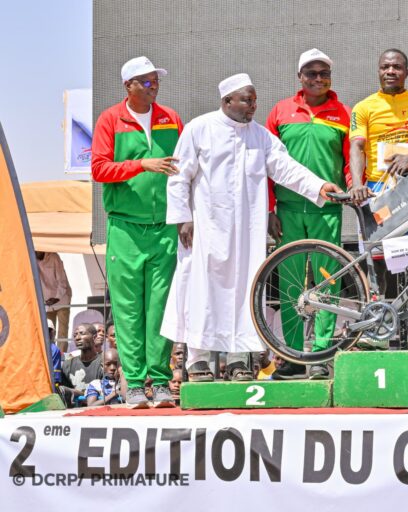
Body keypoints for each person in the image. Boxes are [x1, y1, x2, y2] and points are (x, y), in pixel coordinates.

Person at [161, 73, 343, 383]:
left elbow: (286, 168)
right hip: (205, 229)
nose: (253, 106)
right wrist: (182, 218)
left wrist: (319, 186)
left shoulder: (261, 136)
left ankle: (238, 359)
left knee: (245, 290)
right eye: (247, 100)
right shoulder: (199, 128)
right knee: (201, 290)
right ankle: (197, 360)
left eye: (255, 100)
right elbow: (179, 176)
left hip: (247, 232)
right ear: (227, 101)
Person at [91, 56, 183, 408]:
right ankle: (133, 384)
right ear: (127, 85)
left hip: (165, 228)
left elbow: (185, 167)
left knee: (160, 308)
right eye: (145, 81)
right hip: (125, 228)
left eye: (155, 80)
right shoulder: (110, 119)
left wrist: (186, 217)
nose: (153, 85)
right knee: (128, 310)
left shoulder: (171, 118)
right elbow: (99, 169)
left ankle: (160, 382)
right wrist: (141, 164)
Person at [265, 49, 351, 380]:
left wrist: (352, 188)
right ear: (299, 77)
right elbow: (266, 166)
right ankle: (293, 355)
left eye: (324, 73)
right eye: (311, 73)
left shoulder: (342, 113)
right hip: (287, 210)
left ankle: (320, 354)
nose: (318, 79)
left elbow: (349, 161)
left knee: (328, 280)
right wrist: (270, 208)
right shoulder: (280, 111)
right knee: (289, 283)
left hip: (327, 210)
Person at [348, 49, 408, 350]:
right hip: (377, 191)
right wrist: (357, 184)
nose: (390, 71)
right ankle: (379, 329)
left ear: (406, 72)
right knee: (377, 263)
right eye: (385, 67)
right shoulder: (364, 107)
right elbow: (357, 147)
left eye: (397, 67)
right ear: (378, 70)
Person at [35, 251, 72, 352]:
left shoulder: (54, 257)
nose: (36, 253)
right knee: (48, 330)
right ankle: (50, 354)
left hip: (62, 298)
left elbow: (62, 280)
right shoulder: (32, 258)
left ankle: (61, 355)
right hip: (47, 301)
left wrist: (57, 297)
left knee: (62, 331)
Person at [60, 323, 104, 407]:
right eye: (75, 335)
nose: (77, 338)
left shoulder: (104, 363)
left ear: (94, 337)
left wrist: (77, 393)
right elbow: (64, 394)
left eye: (82, 333)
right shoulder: (67, 365)